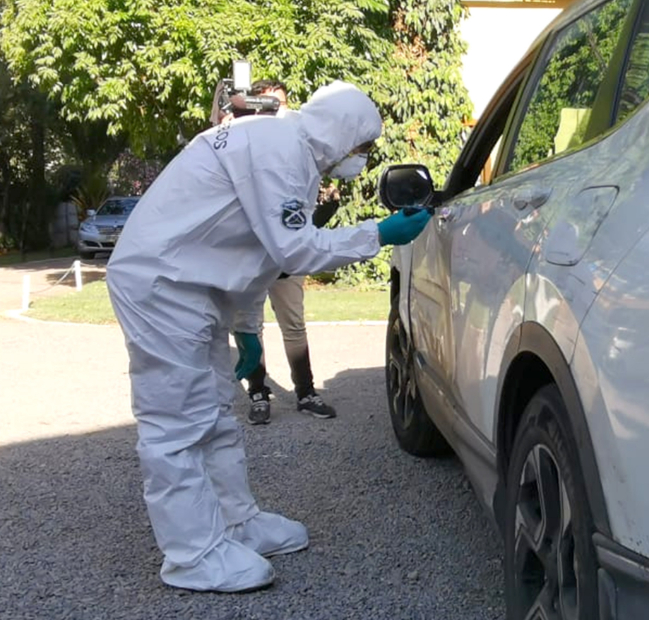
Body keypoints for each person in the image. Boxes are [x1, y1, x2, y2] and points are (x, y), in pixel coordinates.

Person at [106, 80, 431, 593]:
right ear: (342, 133)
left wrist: (245, 328)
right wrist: (378, 234)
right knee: (175, 423)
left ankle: (235, 523)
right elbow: (294, 250)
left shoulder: (285, 149)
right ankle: (191, 555)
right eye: (363, 148)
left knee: (213, 411)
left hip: (193, 286)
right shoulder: (278, 150)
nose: (361, 160)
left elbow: (256, 255)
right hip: (162, 284)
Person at [236, 79, 339, 425]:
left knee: (293, 324)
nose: (275, 113)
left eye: (280, 105)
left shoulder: (298, 150)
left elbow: (301, 216)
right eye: (266, 106)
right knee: (249, 325)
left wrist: (326, 209)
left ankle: (306, 392)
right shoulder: (242, 145)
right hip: (250, 256)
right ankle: (258, 393)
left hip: (287, 258)